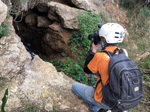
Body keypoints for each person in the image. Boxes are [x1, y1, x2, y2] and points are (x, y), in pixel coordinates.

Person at [72, 23, 128, 112]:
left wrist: (93, 50)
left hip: (104, 99)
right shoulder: (123, 52)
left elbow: (86, 69)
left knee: (75, 86)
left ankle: (102, 109)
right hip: (119, 97)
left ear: (105, 39)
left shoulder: (100, 56)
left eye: (101, 37)